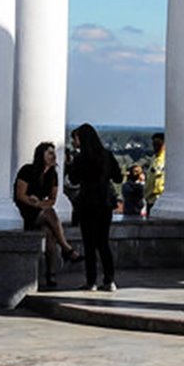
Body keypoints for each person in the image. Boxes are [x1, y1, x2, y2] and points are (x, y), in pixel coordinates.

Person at [14, 141, 80, 286]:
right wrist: (35, 203)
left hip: (40, 210)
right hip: (25, 210)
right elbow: (20, 195)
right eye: (50, 153)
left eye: (54, 153)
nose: (53, 156)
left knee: (50, 233)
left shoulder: (52, 175)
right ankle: (66, 248)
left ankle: (51, 274)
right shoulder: (27, 170)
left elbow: (52, 199)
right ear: (41, 155)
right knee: (49, 213)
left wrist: (40, 204)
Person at [66, 124, 121, 292]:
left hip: (88, 203)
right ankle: (109, 280)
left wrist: (71, 164)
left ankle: (91, 281)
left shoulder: (81, 158)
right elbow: (118, 178)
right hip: (105, 203)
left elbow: (73, 180)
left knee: (89, 244)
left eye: (75, 138)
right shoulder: (107, 155)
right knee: (103, 242)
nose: (74, 141)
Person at [145, 132, 165, 216]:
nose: (155, 146)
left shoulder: (166, 158)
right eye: (154, 144)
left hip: (159, 198)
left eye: (158, 143)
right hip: (150, 198)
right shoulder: (154, 158)